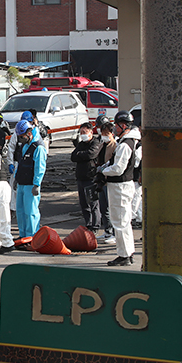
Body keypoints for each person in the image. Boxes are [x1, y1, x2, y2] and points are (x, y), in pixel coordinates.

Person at [100, 110, 142, 266]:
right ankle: (127, 253)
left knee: (120, 222)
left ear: (123, 125)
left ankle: (124, 255)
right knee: (123, 221)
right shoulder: (128, 142)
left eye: (116, 125)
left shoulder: (125, 144)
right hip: (122, 185)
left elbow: (118, 168)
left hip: (120, 186)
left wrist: (102, 171)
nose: (114, 129)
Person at [14, 120, 47, 244]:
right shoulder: (25, 145)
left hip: (30, 185)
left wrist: (37, 184)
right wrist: (17, 178)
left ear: (29, 133)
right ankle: (23, 236)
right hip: (22, 183)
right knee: (21, 212)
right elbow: (21, 163)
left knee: (31, 212)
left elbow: (40, 167)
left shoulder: (38, 147)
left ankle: (32, 237)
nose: (20, 139)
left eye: (22, 136)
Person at [70, 122, 103, 232]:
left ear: (90, 132)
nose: (83, 134)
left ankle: (95, 226)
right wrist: (81, 155)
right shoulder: (81, 144)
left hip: (91, 177)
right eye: (81, 132)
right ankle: (88, 224)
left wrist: (81, 155)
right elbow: (73, 156)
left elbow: (91, 154)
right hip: (80, 177)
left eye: (85, 132)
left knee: (93, 203)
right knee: (84, 204)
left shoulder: (95, 142)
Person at [95, 122, 117, 241]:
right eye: (103, 133)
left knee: (111, 207)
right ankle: (107, 230)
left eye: (107, 134)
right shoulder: (102, 145)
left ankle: (114, 232)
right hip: (101, 180)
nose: (104, 136)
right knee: (104, 208)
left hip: (109, 180)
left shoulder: (115, 145)